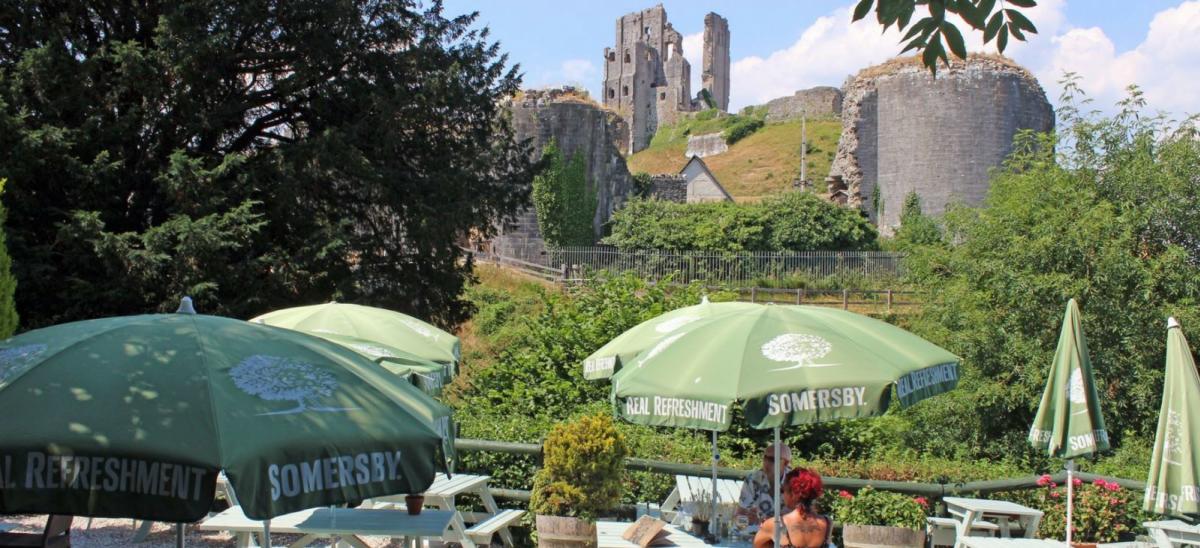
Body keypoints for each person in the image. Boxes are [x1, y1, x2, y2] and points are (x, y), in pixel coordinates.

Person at [753, 468, 831, 548]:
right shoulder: (827, 523)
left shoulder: (776, 524)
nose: (782, 495)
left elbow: (757, 545)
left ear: (793, 495)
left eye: (783, 490)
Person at [736, 442, 792, 524]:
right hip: (759, 532)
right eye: (765, 457)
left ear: (786, 463)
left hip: (787, 532)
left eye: (772, 460)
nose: (766, 462)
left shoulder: (794, 481)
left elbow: (802, 516)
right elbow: (739, 515)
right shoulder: (752, 480)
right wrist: (746, 518)